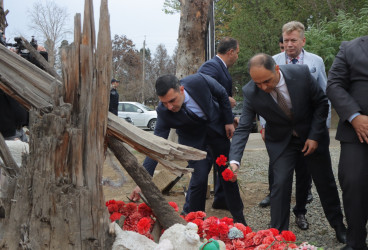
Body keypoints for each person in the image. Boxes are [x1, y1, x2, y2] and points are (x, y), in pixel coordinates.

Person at [228, 53, 346, 242]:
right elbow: (242, 128)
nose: (263, 87)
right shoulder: (251, 91)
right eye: (258, 83)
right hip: (282, 142)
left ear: (276, 69)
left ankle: (339, 226)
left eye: (266, 81)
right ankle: (277, 235)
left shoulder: (301, 74)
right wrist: (234, 160)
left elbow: (321, 104)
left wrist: (315, 136)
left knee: (325, 182)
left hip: (311, 136)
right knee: (280, 184)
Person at [129, 73, 247, 225]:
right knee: (199, 181)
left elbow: (222, 94)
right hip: (193, 144)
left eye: (172, 100)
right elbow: (156, 146)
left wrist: (228, 121)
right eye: (164, 103)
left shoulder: (199, 81)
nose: (170, 107)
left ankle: (240, 220)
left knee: (228, 176)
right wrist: (142, 182)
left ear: (182, 89)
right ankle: (195, 224)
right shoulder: (164, 112)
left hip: (218, 133)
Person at [259, 22, 329, 225]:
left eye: (293, 40)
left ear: (302, 40)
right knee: (280, 170)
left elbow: (324, 95)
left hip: (308, 129)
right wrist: (263, 125)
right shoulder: (272, 61)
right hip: (280, 130)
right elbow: (265, 99)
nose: (289, 44)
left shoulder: (316, 61)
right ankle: (278, 215)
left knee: (304, 172)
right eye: (286, 40)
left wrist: (321, 128)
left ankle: (300, 211)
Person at [326, 1, 368, 249]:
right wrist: (355, 116)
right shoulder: (350, 48)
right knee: (353, 185)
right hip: (359, 135)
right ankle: (356, 242)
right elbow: (333, 85)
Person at [197, 37, 239, 210]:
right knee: (206, 166)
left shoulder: (221, 67)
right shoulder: (210, 66)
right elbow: (204, 92)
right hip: (210, 128)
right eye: (237, 52)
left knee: (222, 162)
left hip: (221, 125)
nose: (237, 56)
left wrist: (230, 117)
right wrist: (227, 101)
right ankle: (195, 207)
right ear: (230, 52)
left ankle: (222, 199)